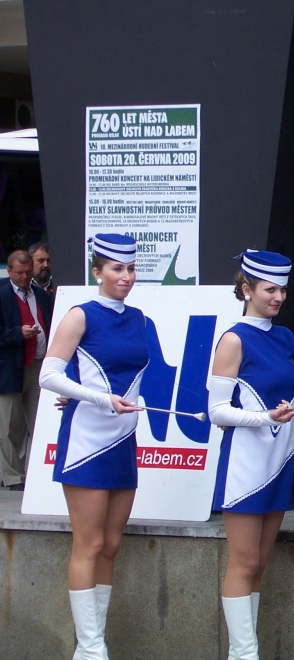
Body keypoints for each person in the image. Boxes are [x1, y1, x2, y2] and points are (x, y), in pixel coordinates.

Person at [37, 234, 147, 660]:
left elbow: (125, 376)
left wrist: (115, 397)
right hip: (86, 443)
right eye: (117, 269)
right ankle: (91, 648)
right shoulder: (79, 315)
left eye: (131, 269)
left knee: (111, 545)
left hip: (123, 440)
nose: (126, 276)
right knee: (88, 544)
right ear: (97, 271)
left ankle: (92, 644)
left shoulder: (138, 318)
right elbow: (49, 375)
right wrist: (96, 398)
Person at [209, 249, 294, 660]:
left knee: (260, 563)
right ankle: (243, 654)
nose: (278, 297)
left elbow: (291, 393)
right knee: (244, 562)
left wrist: (282, 415)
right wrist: (264, 416)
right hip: (245, 462)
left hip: (280, 459)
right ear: (246, 289)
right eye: (269, 290)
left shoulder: (286, 338)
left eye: (282, 289)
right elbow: (217, 411)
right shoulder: (233, 339)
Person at [0, 249, 52, 489]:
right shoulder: (2, 296)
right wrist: (17, 334)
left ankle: (41, 471)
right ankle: (13, 477)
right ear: (9, 271)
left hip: (39, 365)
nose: (24, 277)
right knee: (9, 425)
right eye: (19, 273)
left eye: (28, 272)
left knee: (40, 421)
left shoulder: (41, 295)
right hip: (10, 369)